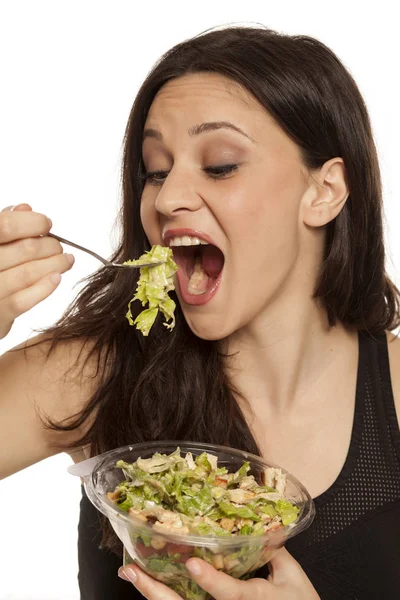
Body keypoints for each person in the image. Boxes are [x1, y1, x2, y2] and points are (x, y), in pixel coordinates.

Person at [1, 23, 399, 600]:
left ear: (325, 191)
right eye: (156, 170)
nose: (166, 199)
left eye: (220, 165)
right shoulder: (93, 373)